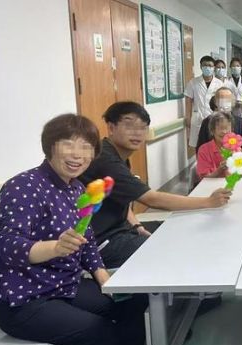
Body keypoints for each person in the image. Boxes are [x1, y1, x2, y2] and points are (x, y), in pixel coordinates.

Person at [0, 114, 147, 345]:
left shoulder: (76, 189)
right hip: (23, 300)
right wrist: (54, 247)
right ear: (50, 146)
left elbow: (86, 239)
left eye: (86, 147)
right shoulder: (23, 186)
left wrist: (103, 277)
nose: (78, 154)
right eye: (68, 144)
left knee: (131, 301)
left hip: (64, 287)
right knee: (100, 333)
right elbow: (9, 247)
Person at [80, 102, 231, 269]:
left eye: (143, 127)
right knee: (171, 248)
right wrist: (208, 202)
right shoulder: (106, 160)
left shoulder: (116, 154)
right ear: (111, 127)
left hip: (121, 229)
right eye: (129, 126)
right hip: (101, 243)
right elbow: (153, 199)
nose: (137, 133)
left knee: (181, 227)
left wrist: (136, 225)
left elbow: (122, 197)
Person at [184, 55, 223, 153]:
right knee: (199, 146)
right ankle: (200, 162)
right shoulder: (193, 82)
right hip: (198, 118)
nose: (207, 68)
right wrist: (188, 117)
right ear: (201, 67)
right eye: (205, 65)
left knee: (215, 146)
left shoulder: (219, 84)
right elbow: (188, 100)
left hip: (214, 118)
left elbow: (222, 102)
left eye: (210, 65)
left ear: (214, 68)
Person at [196, 87, 242, 152]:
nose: (224, 101)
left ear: (232, 102)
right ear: (216, 102)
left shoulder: (240, 121)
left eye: (227, 99)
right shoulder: (207, 121)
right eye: (221, 99)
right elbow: (200, 148)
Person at [196, 111, 234, 180]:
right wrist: (219, 170)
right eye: (220, 128)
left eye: (227, 128)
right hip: (211, 186)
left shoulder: (236, 148)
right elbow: (204, 179)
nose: (224, 132)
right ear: (212, 131)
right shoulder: (204, 150)